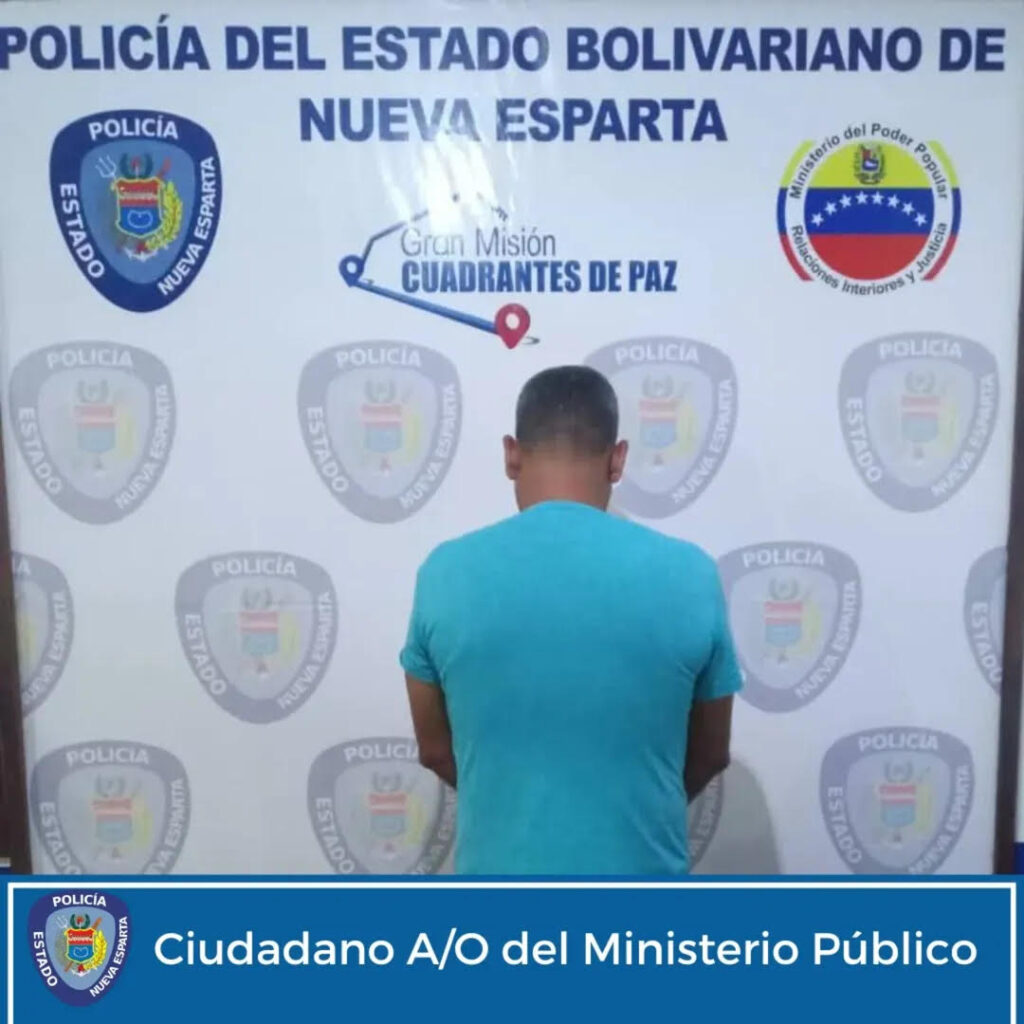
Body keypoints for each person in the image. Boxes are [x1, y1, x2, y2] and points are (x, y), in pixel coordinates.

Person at [400, 364, 742, 875]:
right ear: (618, 459)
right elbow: (711, 753)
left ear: (511, 454)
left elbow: (433, 750)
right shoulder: (692, 573)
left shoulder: (444, 572)